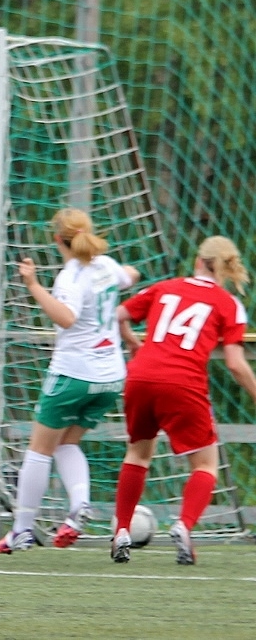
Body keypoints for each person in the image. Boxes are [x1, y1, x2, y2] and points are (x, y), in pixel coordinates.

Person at [0, 208, 139, 554]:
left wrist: (33, 285)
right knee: (67, 444)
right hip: (110, 377)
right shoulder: (106, 265)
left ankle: (21, 530)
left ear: (57, 239)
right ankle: (79, 506)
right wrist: (123, 274)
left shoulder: (70, 276)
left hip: (74, 373)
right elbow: (131, 275)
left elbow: (67, 318)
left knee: (39, 449)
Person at [110, 235, 256, 565]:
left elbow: (118, 314)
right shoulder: (228, 303)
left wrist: (132, 343)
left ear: (198, 261)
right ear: (227, 268)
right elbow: (235, 363)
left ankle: (121, 530)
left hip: (141, 376)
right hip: (183, 382)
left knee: (137, 454)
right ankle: (184, 526)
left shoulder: (165, 287)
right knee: (206, 464)